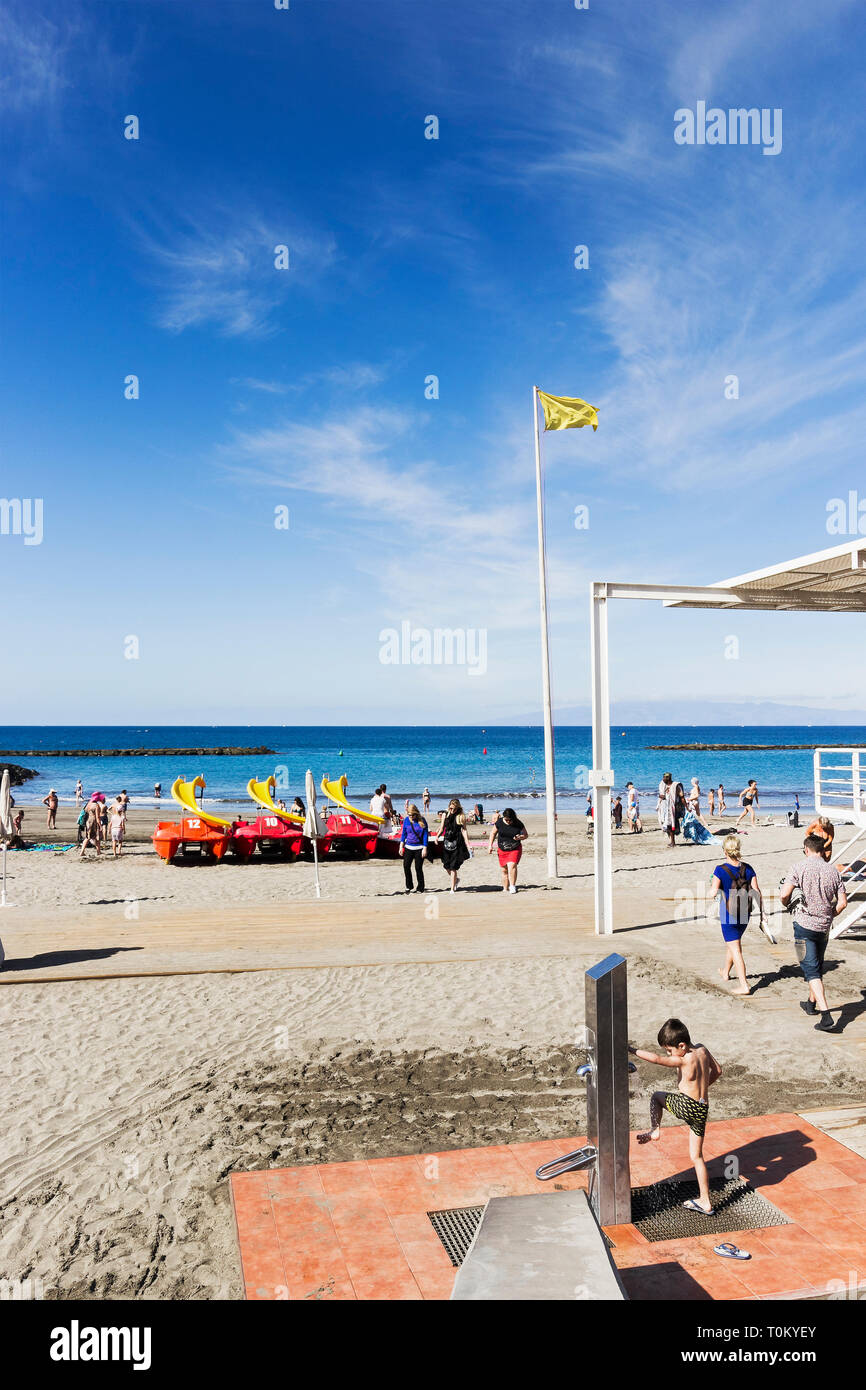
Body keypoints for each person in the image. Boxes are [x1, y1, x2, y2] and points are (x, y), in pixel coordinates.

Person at [630, 1019, 722, 1215]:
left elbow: (655, 1059)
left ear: (681, 1045)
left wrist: (630, 1050)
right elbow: (718, 1071)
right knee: (697, 1156)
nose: (668, 1054)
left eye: (669, 1050)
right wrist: (702, 1090)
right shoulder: (703, 1050)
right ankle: (705, 1201)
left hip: (687, 1105)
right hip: (702, 1108)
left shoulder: (683, 1058)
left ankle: (655, 1130)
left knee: (656, 1097)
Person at [780, 834, 848, 1032]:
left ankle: (826, 1016)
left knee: (810, 970)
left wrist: (785, 904)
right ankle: (811, 1004)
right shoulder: (833, 871)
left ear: (806, 849)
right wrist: (829, 915)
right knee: (816, 964)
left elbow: (785, 894)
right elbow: (843, 903)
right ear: (822, 850)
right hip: (824, 927)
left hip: (803, 926)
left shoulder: (798, 867)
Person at [710, 834, 768, 996]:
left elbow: (712, 892)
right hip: (745, 913)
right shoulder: (748, 868)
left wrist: (712, 889)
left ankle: (745, 985)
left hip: (729, 915)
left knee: (736, 949)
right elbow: (757, 892)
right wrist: (762, 913)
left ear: (724, 851)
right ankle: (725, 973)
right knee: (733, 943)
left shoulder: (720, 870)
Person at [488, 807, 527, 893]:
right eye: (507, 820)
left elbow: (525, 835)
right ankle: (505, 888)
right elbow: (493, 833)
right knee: (504, 870)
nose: (509, 822)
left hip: (515, 848)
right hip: (502, 849)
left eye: (510, 820)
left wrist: (520, 837)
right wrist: (490, 845)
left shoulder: (518, 823)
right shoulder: (499, 822)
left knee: (512, 866)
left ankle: (512, 886)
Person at [438, 798, 472, 891]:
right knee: (446, 865)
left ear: (458, 808)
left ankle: (452, 889)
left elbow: (464, 830)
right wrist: (437, 836)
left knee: (453, 867)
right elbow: (441, 828)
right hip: (447, 841)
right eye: (451, 808)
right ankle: (456, 880)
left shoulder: (461, 816)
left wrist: (468, 844)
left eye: (454, 809)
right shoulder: (445, 814)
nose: (452, 810)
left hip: (457, 842)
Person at [399, 804, 428, 891]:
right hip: (408, 847)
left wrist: (425, 848)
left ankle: (420, 887)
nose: (411, 817)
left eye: (412, 815)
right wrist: (401, 846)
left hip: (419, 847)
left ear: (416, 813)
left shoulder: (422, 820)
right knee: (406, 866)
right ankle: (409, 886)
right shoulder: (406, 820)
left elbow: (425, 835)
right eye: (409, 815)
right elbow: (403, 834)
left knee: (418, 868)